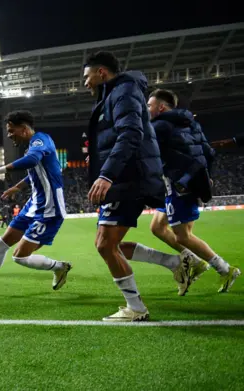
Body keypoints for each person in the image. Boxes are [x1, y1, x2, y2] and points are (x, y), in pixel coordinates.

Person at [120, 89, 239, 294]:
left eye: (149, 105)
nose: (147, 109)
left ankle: (225, 269)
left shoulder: (159, 126)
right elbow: (209, 151)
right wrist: (206, 175)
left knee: (183, 236)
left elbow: (142, 152)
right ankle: (194, 261)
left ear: (161, 107)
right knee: (157, 227)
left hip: (179, 185)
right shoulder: (190, 123)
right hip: (186, 180)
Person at [84, 51, 166, 322]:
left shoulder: (124, 91)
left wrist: (106, 174)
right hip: (125, 176)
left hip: (128, 177)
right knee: (106, 243)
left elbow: (130, 134)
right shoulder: (116, 93)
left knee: (106, 244)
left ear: (102, 73)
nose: (85, 83)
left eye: (87, 77)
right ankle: (177, 263)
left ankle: (137, 308)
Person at [0, 111, 71, 294]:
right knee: (2, 242)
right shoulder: (32, 147)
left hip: (49, 209)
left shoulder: (40, 140)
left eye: (12, 131)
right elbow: (35, 172)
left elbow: (33, 160)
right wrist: (17, 188)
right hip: (33, 204)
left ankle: (60, 267)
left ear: (24, 129)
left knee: (20, 257)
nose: (9, 135)